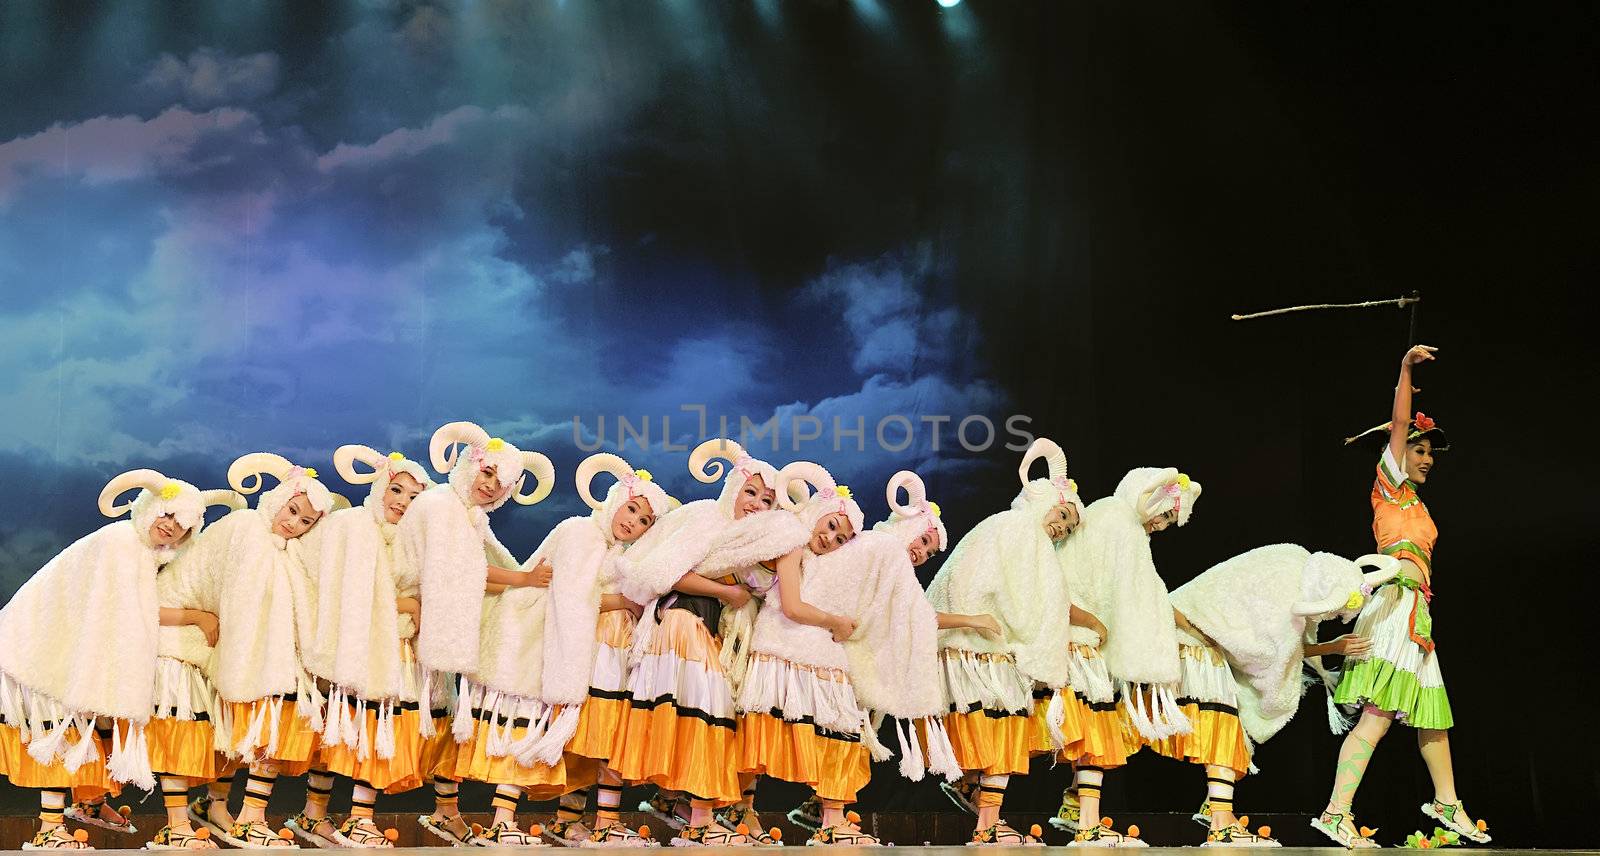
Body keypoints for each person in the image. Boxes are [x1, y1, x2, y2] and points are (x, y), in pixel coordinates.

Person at [1312, 345, 1489, 848]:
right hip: (1393, 608)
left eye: (1431, 452)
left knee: (1432, 714)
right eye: (1419, 449)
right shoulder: (1387, 487)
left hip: (1418, 614)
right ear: (1398, 454)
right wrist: (1406, 370)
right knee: (1379, 715)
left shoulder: (1416, 501)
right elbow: (1398, 421)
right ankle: (1335, 811)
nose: (1428, 459)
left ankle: (1447, 803)